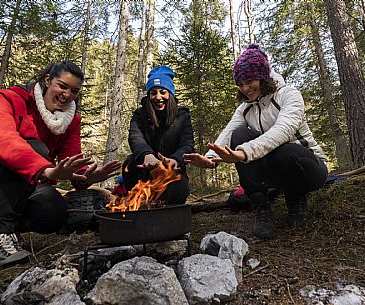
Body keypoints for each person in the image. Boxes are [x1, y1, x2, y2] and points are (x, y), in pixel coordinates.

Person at [0, 61, 121, 266]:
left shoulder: (71, 120)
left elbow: (71, 156)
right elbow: (2, 140)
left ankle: (7, 228)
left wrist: (84, 176)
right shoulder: (11, 98)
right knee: (36, 148)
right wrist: (46, 170)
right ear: (48, 80)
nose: (67, 94)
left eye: (74, 91)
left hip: (26, 183)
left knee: (54, 213)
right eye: (62, 86)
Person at [184, 44, 328, 240]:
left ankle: (296, 200)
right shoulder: (245, 108)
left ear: (263, 77)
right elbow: (228, 133)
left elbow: (282, 132)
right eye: (240, 83)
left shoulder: (289, 95)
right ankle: (262, 210)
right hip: (276, 173)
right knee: (240, 134)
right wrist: (210, 159)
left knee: (285, 151)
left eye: (250, 81)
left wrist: (244, 153)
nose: (245, 88)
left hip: (309, 168)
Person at [122, 65, 194, 205]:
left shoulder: (182, 116)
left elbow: (187, 144)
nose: (158, 97)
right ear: (149, 95)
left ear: (170, 94)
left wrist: (175, 160)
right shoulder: (140, 115)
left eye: (163, 92)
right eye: (153, 93)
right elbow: (135, 138)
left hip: (172, 171)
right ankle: (138, 201)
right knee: (129, 163)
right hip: (144, 171)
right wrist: (147, 155)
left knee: (179, 191)